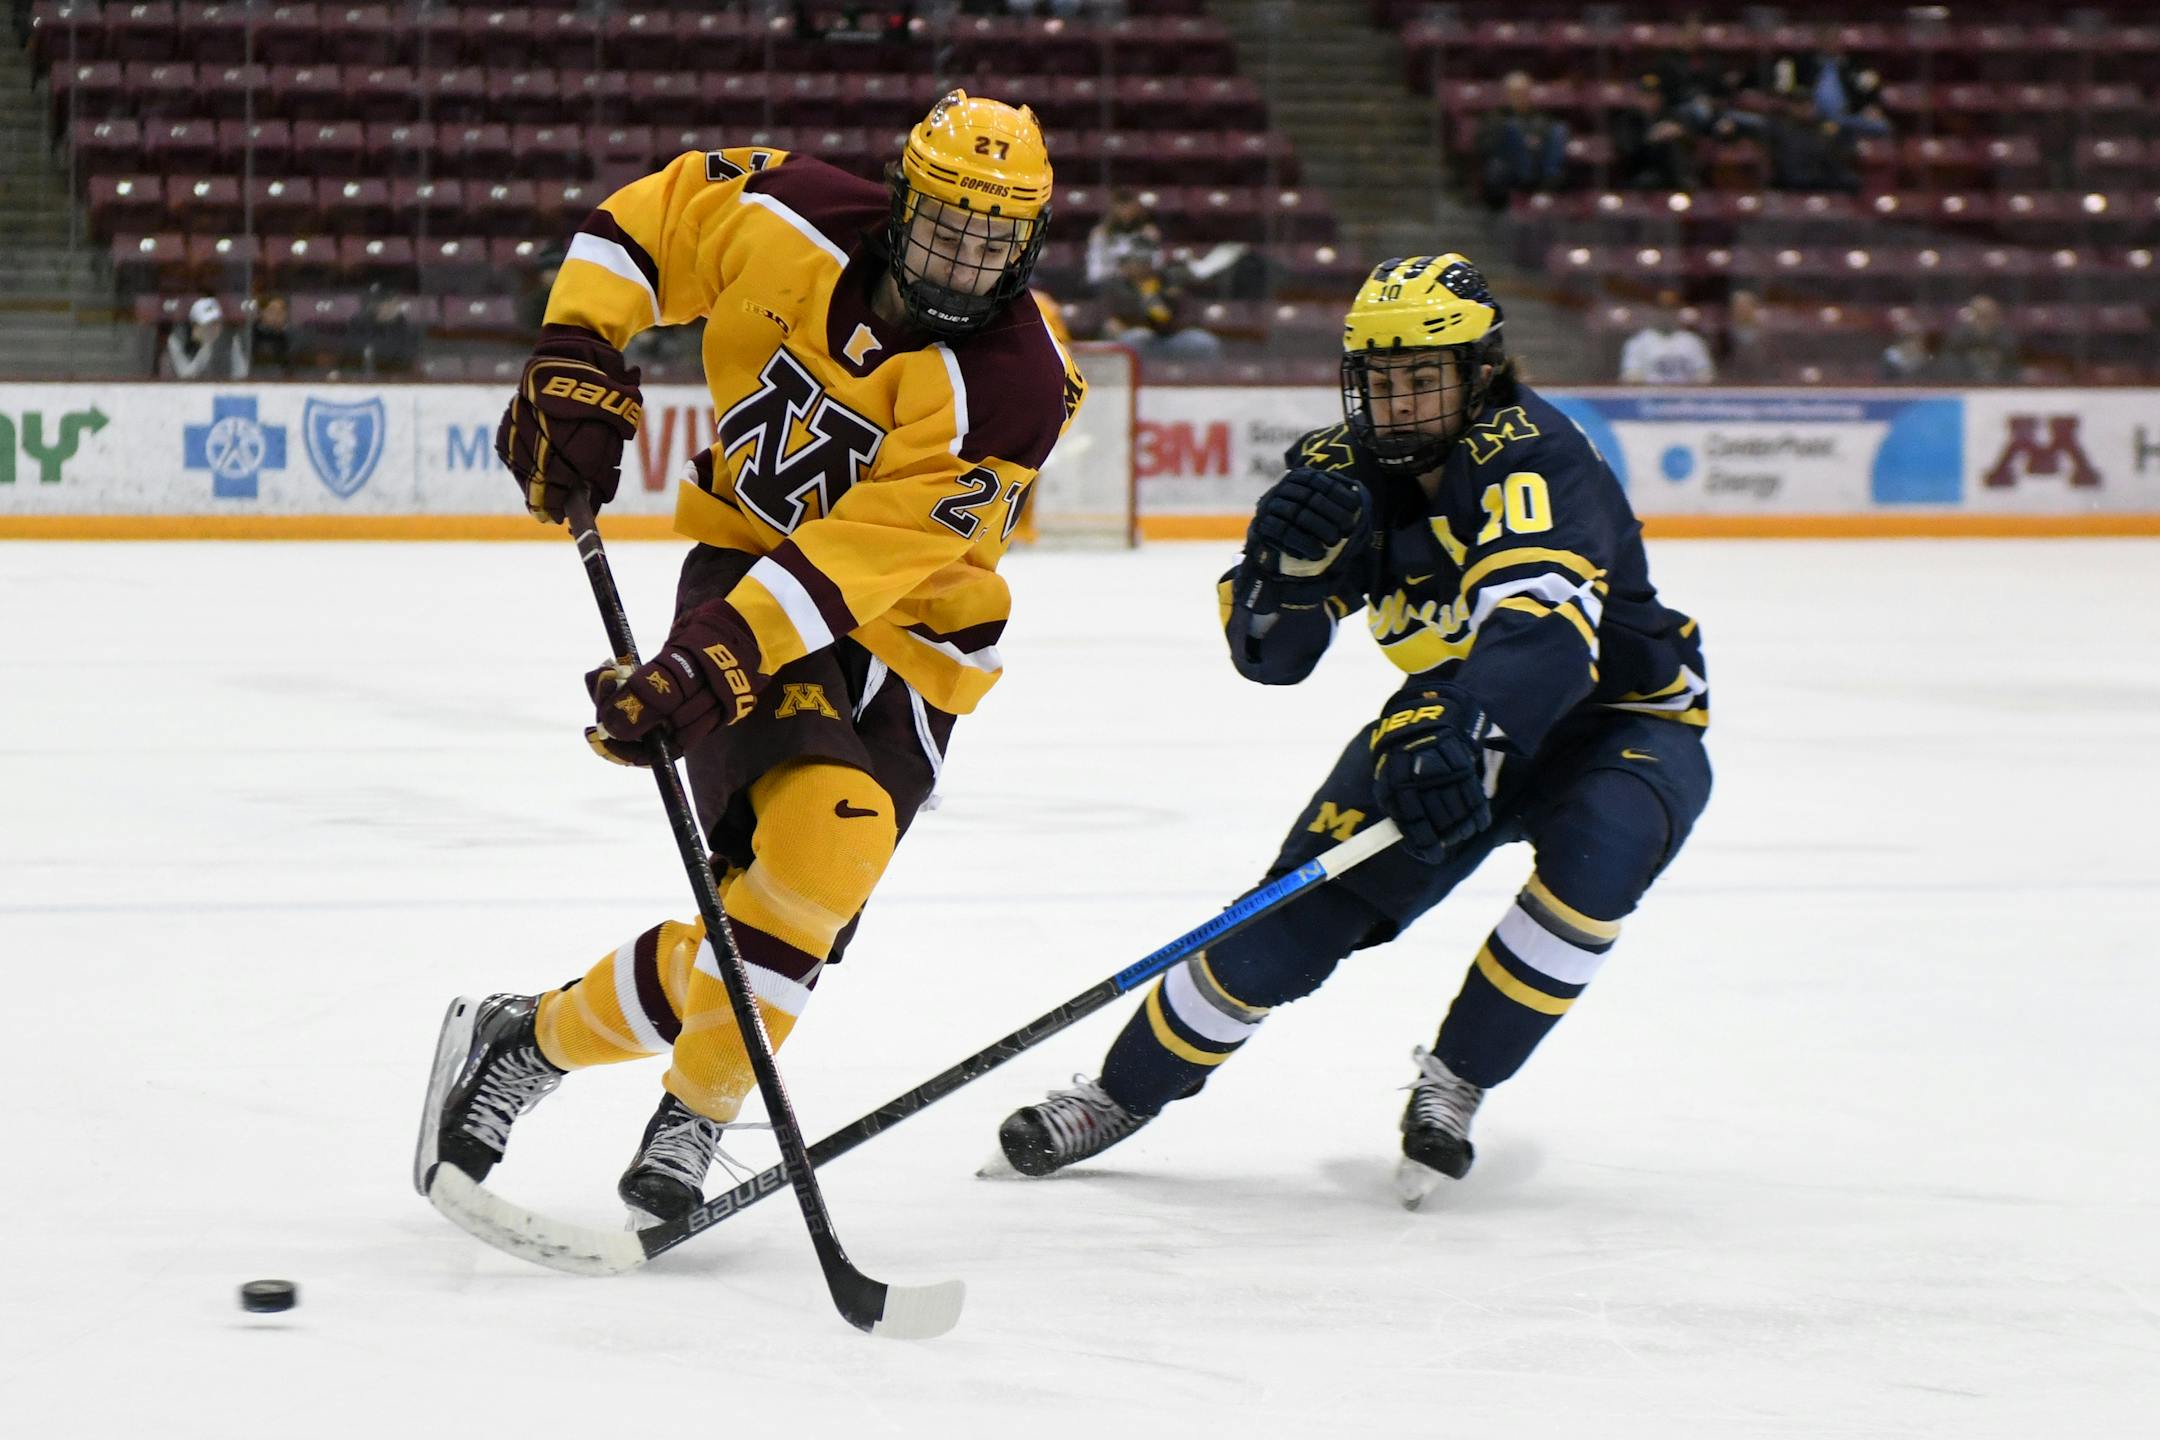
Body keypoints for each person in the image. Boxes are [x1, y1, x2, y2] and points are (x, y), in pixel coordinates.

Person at [415, 91, 1085, 1227]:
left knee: (793, 911)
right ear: (902, 199)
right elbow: (645, 225)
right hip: (747, 567)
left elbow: (854, 564)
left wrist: (702, 668)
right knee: (831, 843)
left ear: (1029, 243)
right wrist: (578, 349)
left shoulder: (1020, 383)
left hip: (910, 634)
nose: (966, 262)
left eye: (995, 241)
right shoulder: (794, 211)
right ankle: (700, 1108)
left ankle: (525, 1040)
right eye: (946, 227)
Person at [993, 255, 1711, 1205]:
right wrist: (1278, 579)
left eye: (1424, 378)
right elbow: (1273, 658)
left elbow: (1542, 638)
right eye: (1380, 380)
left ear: (1483, 372)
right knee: (1286, 926)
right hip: (1450, 713)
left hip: (1618, 717)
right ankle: (1122, 1094)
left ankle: (1456, 1082)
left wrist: (1455, 721)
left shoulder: (1537, 453)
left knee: (1598, 859)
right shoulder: (1337, 471)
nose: (1399, 403)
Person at [1101, 243, 1221, 360]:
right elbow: (1109, 320)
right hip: (1140, 338)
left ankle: (1205, 378)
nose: (1140, 266)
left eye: (1144, 262)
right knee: (1131, 339)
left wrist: (1169, 311)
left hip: (1172, 337)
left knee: (1204, 342)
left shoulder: (1167, 281)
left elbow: (1186, 315)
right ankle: (1137, 378)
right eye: (1134, 262)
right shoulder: (1116, 287)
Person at [1473, 71, 1568, 210]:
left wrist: (1536, 140)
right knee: (1511, 129)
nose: (1520, 95)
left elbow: (1546, 137)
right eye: (1515, 92)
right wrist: (1518, 141)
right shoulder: (1495, 118)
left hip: (1537, 165)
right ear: (1507, 94)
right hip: (1508, 168)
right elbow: (1484, 146)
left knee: (1559, 130)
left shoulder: (1540, 117)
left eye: (1524, 91)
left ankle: (1549, 184)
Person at [1620, 291, 1716, 385]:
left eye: (1671, 308)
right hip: (1650, 396)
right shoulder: (1638, 342)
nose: (1666, 313)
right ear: (1654, 310)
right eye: (1662, 308)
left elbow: (1705, 375)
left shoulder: (1693, 341)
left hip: (1686, 398)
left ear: (1678, 311)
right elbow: (1631, 376)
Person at [1936, 295, 2020, 384]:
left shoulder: (2007, 341)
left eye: (1989, 316)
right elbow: (1949, 367)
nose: (1985, 321)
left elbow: (2013, 369)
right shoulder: (1957, 342)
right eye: (1980, 316)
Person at [161, 296, 249, 380]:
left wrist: (233, 346)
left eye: (216, 323)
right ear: (195, 326)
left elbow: (241, 374)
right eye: (208, 325)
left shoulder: (228, 343)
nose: (214, 329)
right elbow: (186, 376)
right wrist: (206, 347)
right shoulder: (176, 341)